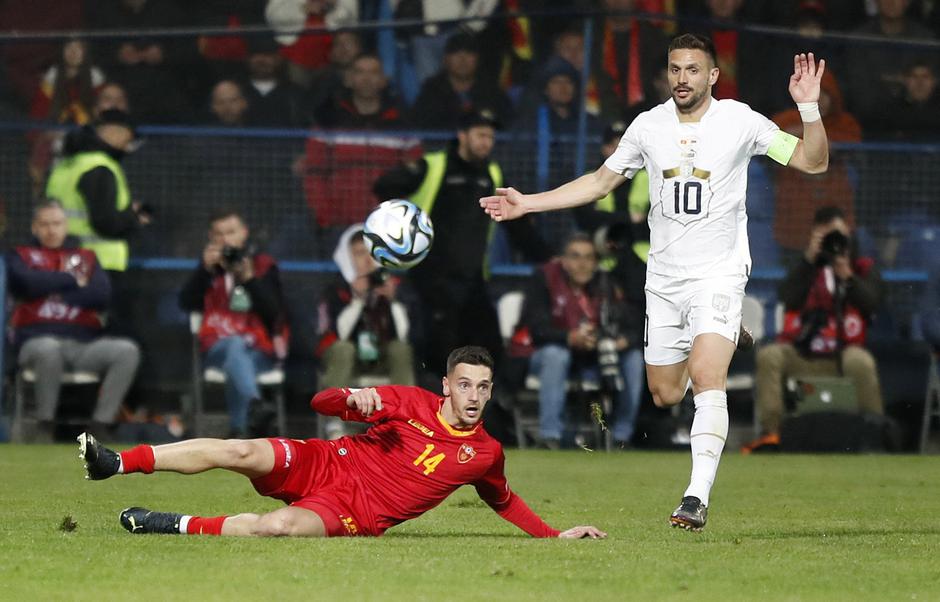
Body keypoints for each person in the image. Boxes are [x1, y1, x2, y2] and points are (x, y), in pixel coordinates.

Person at [480, 33, 829, 531]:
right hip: (664, 279)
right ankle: (725, 334)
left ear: (713, 75)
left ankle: (696, 496)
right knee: (665, 393)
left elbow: (814, 162)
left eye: (692, 69)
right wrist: (528, 202)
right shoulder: (648, 126)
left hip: (719, 272)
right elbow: (601, 183)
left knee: (708, 378)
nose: (682, 79)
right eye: (674, 69)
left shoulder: (741, 121)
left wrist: (809, 109)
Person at [76, 346, 606, 540]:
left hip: (357, 511)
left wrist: (555, 536)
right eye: (463, 384)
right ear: (447, 385)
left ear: (491, 393)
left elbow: (505, 500)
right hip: (327, 460)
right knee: (239, 450)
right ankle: (116, 462)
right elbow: (321, 404)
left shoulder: (485, 453)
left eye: (482, 387)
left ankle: (170, 523)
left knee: (276, 527)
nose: (472, 395)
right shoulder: (406, 399)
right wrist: (353, 397)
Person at [374, 109, 549, 376]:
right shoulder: (432, 166)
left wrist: (547, 257)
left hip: (472, 280)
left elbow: (518, 226)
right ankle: (434, 414)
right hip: (431, 280)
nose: (486, 142)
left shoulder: (493, 173)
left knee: (488, 351)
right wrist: (405, 223)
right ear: (462, 135)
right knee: (438, 354)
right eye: (480, 135)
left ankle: (484, 414)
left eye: (490, 137)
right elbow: (384, 186)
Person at [742, 206, 884, 453]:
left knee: (862, 362)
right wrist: (810, 259)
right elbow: (788, 297)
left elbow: (872, 302)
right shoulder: (805, 267)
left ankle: (875, 434)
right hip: (803, 354)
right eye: (826, 236)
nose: (832, 242)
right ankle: (772, 435)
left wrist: (846, 275)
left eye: (837, 235)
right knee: (770, 355)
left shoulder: (861, 267)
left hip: (844, 354)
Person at [7, 200, 140, 441]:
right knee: (49, 349)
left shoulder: (86, 256)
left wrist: (47, 283)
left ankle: (100, 424)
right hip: (35, 343)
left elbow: (100, 295)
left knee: (126, 351)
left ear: (66, 226)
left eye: (57, 223)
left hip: (82, 345)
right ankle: (45, 425)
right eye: (44, 224)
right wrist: (71, 279)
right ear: (34, 227)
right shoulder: (21, 255)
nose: (51, 230)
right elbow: (26, 283)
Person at [515, 232, 644, 449]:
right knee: (556, 355)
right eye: (575, 256)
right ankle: (550, 436)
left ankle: (621, 437)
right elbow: (537, 329)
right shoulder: (544, 279)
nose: (582, 264)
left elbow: (632, 324)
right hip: (544, 355)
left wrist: (621, 341)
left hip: (594, 355)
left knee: (633, 358)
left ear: (596, 262)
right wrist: (570, 337)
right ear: (563, 260)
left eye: (588, 257)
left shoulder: (606, 284)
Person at [178, 209, 288, 438]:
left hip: (257, 350)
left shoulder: (262, 266)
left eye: (231, 232)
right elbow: (185, 302)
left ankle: (239, 430)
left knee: (238, 359)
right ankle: (256, 408)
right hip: (216, 347)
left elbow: (275, 314)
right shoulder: (209, 270)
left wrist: (249, 279)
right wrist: (204, 271)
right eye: (219, 234)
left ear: (244, 233)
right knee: (234, 347)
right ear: (211, 237)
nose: (225, 239)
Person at [316, 224, 416, 438]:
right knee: (343, 349)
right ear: (347, 257)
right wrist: (358, 299)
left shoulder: (393, 286)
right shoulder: (336, 290)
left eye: (371, 252)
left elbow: (404, 335)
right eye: (359, 254)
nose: (366, 260)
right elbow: (338, 334)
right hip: (344, 361)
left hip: (381, 358)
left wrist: (391, 301)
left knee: (400, 349)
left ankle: (403, 421)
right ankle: (334, 424)